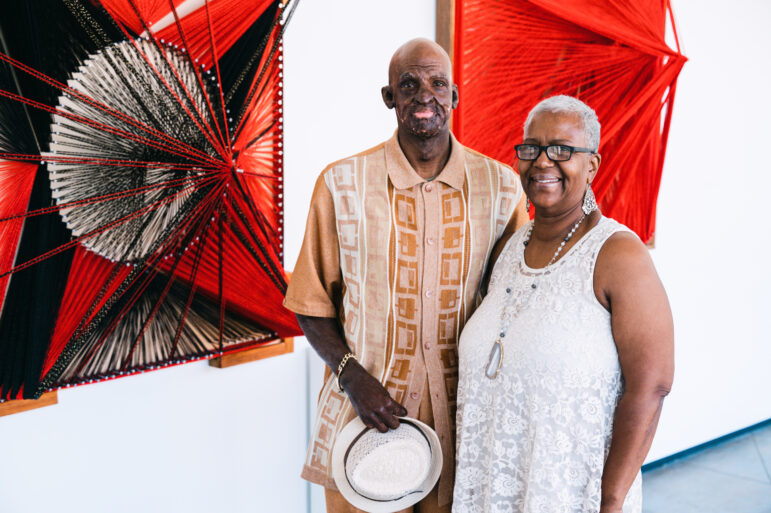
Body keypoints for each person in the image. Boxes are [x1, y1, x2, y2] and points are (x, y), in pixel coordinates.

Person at [283, 38, 529, 513]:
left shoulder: (500, 189)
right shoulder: (340, 184)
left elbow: (513, 308)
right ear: (388, 97)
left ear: (455, 96)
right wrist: (353, 378)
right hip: (363, 423)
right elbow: (310, 305)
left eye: (438, 83)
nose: (424, 95)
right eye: (409, 84)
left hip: (463, 426)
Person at [453, 95, 675, 513]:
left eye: (562, 150)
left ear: (592, 165)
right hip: (489, 489)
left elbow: (652, 385)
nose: (542, 161)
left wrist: (611, 501)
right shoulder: (509, 247)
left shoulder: (617, 254)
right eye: (531, 148)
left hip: (569, 495)